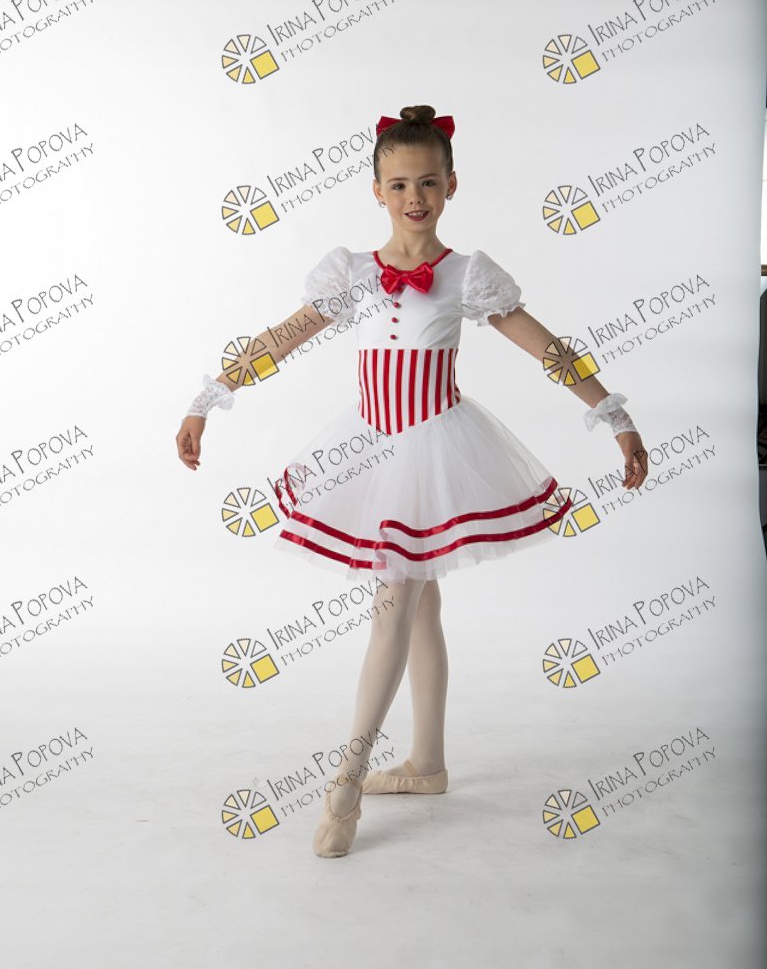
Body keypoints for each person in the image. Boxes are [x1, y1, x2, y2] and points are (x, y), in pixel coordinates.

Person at [176, 105, 648, 859]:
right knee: (420, 608)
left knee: (394, 604)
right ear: (377, 191)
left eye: (428, 182)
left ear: (451, 185)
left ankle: (347, 781)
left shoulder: (466, 274)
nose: (414, 196)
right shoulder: (353, 273)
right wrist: (209, 398)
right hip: (369, 450)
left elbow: (547, 347)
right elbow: (282, 338)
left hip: (437, 449)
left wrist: (613, 414)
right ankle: (426, 764)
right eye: (398, 184)